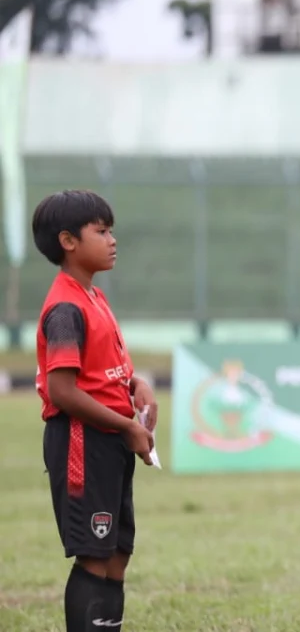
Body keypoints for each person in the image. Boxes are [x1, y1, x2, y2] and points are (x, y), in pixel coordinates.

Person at [34, 190, 158, 632]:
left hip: (112, 440)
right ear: (68, 241)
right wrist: (127, 425)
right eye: (101, 231)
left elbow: (103, 372)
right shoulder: (66, 306)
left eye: (111, 230)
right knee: (94, 553)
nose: (112, 239)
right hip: (82, 442)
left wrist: (136, 386)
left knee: (118, 551)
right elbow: (63, 390)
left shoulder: (94, 298)